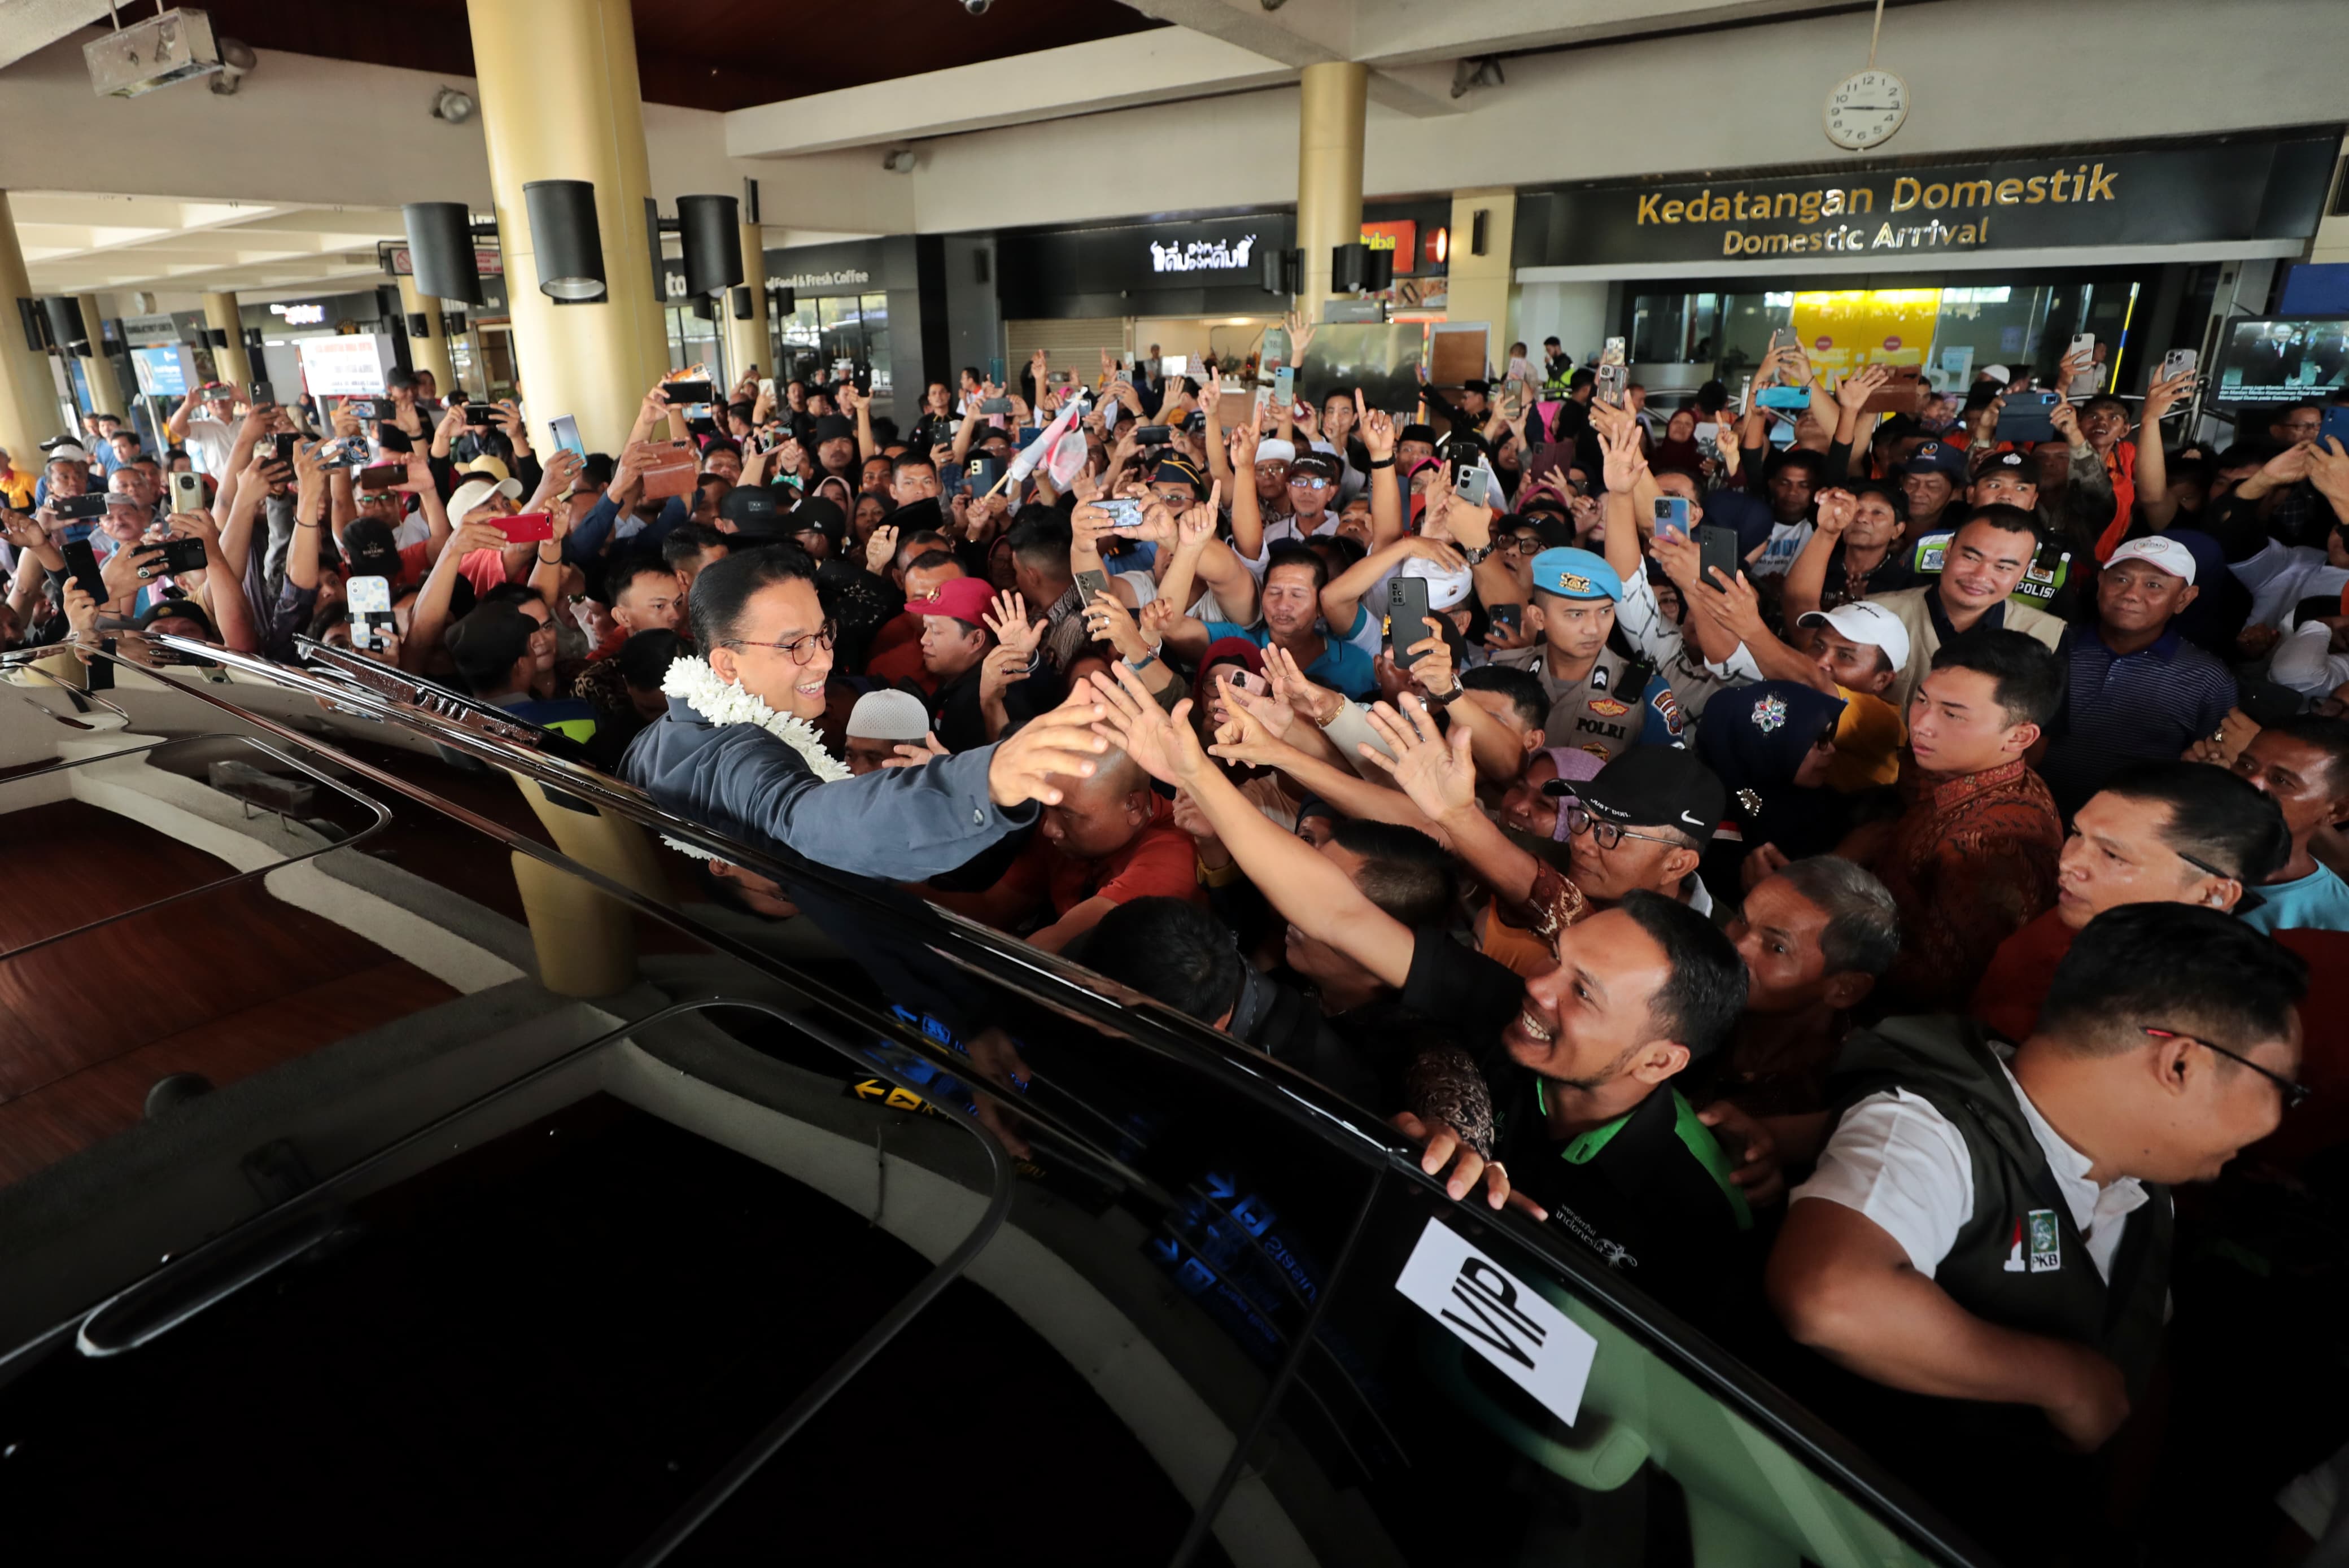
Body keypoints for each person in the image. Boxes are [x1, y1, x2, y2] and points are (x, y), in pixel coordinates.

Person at [1768, 903, 2307, 1559]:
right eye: (2281, 1086)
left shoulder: (2143, 1187)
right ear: (2182, 1064)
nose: (2279, 1115)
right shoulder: (1926, 1130)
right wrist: (2063, 1378)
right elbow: (1830, 1296)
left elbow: (2137, 1347)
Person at [619, 545, 1111, 880]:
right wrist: (985, 782)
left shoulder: (658, 736)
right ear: (725, 663)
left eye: (824, 633)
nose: (824, 659)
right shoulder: (740, 755)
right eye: (795, 645)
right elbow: (813, 818)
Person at [1971, 761, 2288, 1041]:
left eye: (2112, 854)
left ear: (2212, 894)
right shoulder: (2078, 915)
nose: (2068, 863)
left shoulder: (2193, 1024)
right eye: (2077, 833)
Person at [1860, 630, 2066, 1014]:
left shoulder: (1990, 845)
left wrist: (1829, 923)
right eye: (1922, 699)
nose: (1921, 724)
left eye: (1953, 713)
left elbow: (1938, 988)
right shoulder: (1949, 764)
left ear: (2020, 735)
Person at [2038, 535, 2236, 814]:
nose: (2131, 594)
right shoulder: (2053, 643)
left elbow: (2209, 768)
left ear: (2183, 599)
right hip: (2034, 810)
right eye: (2120, 579)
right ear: (2100, 584)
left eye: (2153, 585)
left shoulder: (2207, 678)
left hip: (2129, 829)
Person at [1706, 857, 1900, 1119]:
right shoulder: (1690, 980)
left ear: (1845, 989)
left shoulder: (1841, 1093)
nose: (1739, 946)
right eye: (1741, 918)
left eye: (1777, 947)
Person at [1853, 506, 2067, 709]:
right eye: (1971, 557)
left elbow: (2040, 734)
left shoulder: (2047, 635)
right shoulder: (1873, 613)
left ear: (2022, 574)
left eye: (2002, 567)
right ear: (1948, 550)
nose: (1980, 576)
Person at [1489, 547, 1684, 762]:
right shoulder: (1503, 674)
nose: (1593, 628)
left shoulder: (1646, 691)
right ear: (1538, 618)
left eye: (1605, 612)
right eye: (1576, 614)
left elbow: (1667, 784)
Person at [2223, 716, 2349, 933]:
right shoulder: (2167, 840)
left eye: (2281, 780)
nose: (2250, 782)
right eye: (2245, 765)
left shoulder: (2335, 924)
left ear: (2336, 812)